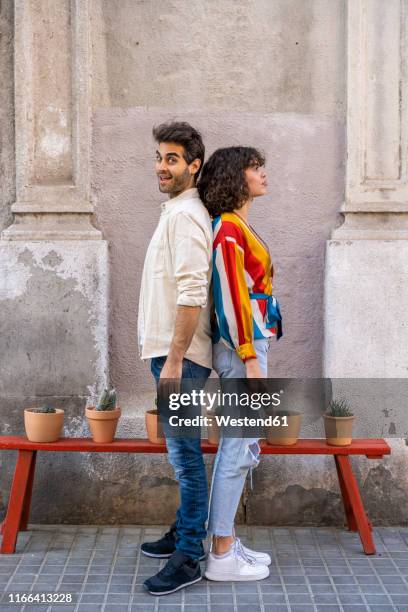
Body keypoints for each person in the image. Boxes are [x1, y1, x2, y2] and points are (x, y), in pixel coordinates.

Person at [198, 146, 283, 581]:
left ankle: (226, 541)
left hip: (245, 348)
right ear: (236, 177)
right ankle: (221, 555)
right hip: (241, 349)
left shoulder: (236, 226)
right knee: (238, 446)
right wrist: (251, 359)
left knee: (243, 445)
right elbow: (232, 300)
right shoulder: (229, 229)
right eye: (254, 167)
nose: (262, 174)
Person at [138, 121, 212, 595]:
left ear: (194, 166)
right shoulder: (176, 211)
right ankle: (182, 533)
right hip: (171, 356)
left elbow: (192, 293)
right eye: (160, 157)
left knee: (185, 460)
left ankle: (190, 554)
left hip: (178, 359)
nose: (162, 166)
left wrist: (174, 360)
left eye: (172, 159)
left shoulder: (186, 216)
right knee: (180, 455)